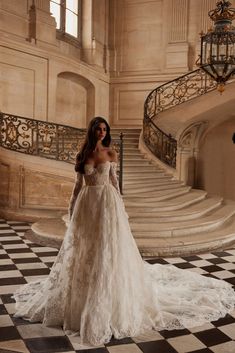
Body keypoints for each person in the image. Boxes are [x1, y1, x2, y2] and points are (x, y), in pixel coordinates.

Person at [13, 117, 235, 346]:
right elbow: (77, 186)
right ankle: (80, 299)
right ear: (92, 131)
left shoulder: (111, 153)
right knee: (86, 250)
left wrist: (120, 208)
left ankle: (107, 295)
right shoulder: (83, 155)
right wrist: (71, 213)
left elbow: (114, 182)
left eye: (104, 129)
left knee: (106, 248)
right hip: (87, 205)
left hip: (107, 204)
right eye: (98, 129)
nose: (101, 132)